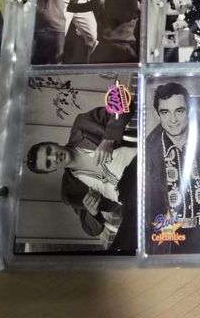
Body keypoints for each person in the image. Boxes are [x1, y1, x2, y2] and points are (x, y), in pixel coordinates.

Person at [26, 105, 137, 252]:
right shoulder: (70, 191)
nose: (54, 157)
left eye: (49, 150)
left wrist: (109, 139)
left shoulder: (83, 125)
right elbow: (92, 230)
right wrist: (92, 212)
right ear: (51, 171)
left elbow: (124, 105)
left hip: (140, 163)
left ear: (53, 143)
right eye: (48, 163)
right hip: (132, 202)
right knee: (119, 251)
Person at [146, 82, 200, 253]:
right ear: (158, 114)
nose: (173, 119)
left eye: (179, 111)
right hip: (169, 241)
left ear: (189, 111)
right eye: (165, 112)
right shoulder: (148, 153)